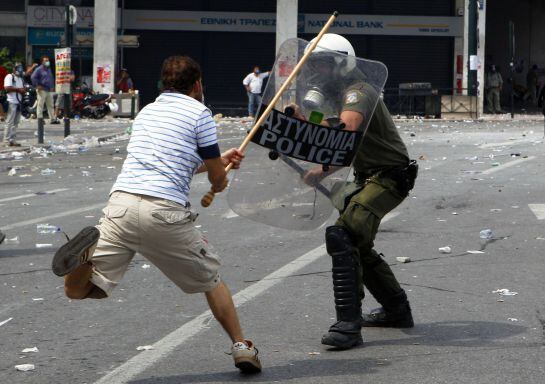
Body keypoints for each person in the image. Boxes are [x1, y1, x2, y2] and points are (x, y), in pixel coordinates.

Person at [51, 55, 261, 373]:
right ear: (197, 84)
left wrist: (216, 160)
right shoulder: (200, 112)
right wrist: (219, 177)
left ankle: (83, 260)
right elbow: (218, 179)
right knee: (211, 279)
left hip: (120, 204)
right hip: (164, 212)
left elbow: (175, 163)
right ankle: (241, 346)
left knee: (77, 290)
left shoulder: (148, 110)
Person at [301, 34, 417, 350]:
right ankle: (396, 309)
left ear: (342, 64)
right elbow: (329, 127)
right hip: (368, 178)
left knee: (344, 236)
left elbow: (345, 133)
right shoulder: (340, 97)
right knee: (359, 246)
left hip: (389, 178)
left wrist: (321, 165)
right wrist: (295, 122)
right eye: (315, 65)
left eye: (323, 65)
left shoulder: (358, 92)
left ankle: (348, 326)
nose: (318, 72)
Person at [31, 56, 60, 124]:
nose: (47, 62)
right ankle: (40, 119)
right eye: (46, 60)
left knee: (50, 105)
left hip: (49, 89)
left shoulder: (48, 69)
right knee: (40, 104)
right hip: (42, 89)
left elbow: (51, 78)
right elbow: (33, 77)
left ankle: (52, 119)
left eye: (48, 60)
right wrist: (37, 85)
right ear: (42, 62)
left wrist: (52, 86)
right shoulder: (39, 69)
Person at [2, 62, 25, 146]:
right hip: (11, 102)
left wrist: (23, 91)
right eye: (18, 68)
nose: (20, 69)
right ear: (14, 69)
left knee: (16, 123)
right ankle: (6, 140)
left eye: (21, 68)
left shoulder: (20, 79)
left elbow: (22, 88)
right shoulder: (9, 76)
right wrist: (19, 90)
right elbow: (7, 87)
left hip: (18, 102)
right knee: (9, 122)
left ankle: (12, 140)